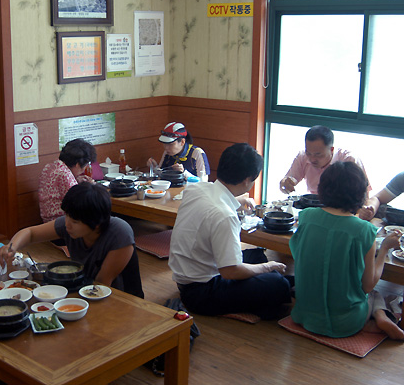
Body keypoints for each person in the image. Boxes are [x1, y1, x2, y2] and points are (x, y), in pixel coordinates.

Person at [168, 143, 291, 319]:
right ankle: (252, 306)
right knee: (278, 285)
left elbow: (216, 199)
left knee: (256, 256)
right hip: (201, 293)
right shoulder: (224, 215)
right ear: (247, 180)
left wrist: (238, 200)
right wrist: (266, 267)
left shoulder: (196, 189)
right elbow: (231, 272)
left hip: (186, 277)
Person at [289, 162, 404, 339]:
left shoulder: (306, 216)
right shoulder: (364, 230)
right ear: (360, 195)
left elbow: (299, 254)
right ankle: (380, 316)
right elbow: (367, 286)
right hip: (346, 323)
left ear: (323, 188)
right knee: (375, 293)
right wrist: (385, 249)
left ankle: (377, 319)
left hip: (303, 315)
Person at [0, 182, 144, 298]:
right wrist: (11, 247)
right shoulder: (71, 225)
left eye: (74, 221)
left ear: (96, 223)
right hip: (84, 288)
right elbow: (30, 233)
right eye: (67, 215)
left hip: (121, 300)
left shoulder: (120, 233)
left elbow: (101, 285)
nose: (67, 223)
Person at [280, 125, 369, 195]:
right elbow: (287, 182)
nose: (312, 159)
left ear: (331, 150)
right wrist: (285, 184)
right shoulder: (303, 156)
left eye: (318, 154)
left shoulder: (349, 160)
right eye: (309, 153)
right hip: (316, 209)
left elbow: (363, 197)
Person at [38, 138, 96, 223]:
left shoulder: (50, 166)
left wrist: (75, 180)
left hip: (47, 221)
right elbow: (79, 204)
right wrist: (92, 187)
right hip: (60, 223)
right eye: (84, 166)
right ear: (77, 164)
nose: (83, 171)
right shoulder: (64, 174)